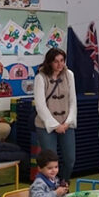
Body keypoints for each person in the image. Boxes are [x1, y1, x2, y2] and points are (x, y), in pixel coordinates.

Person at [34, 48, 77, 187]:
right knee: (50, 161)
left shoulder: (69, 75)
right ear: (49, 62)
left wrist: (67, 122)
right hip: (46, 125)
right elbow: (40, 105)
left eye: (62, 61)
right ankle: (50, 188)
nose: (59, 64)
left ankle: (63, 184)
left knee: (70, 158)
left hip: (66, 123)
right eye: (56, 61)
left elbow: (72, 101)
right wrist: (54, 125)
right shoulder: (40, 77)